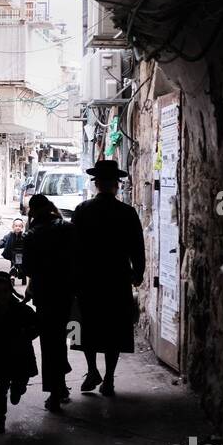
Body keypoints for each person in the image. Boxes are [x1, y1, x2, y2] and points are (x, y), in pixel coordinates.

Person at [71, 160, 145, 397]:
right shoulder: (127, 212)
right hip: (116, 278)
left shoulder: (82, 210)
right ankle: (109, 378)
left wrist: (72, 275)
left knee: (89, 326)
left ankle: (92, 370)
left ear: (97, 185)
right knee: (114, 328)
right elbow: (137, 247)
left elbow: (72, 247)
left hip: (88, 278)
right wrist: (138, 273)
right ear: (116, 185)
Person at [23, 194, 77, 412]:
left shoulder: (32, 235)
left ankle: (55, 392)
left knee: (49, 341)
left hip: (45, 292)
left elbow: (28, 268)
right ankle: (61, 384)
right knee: (61, 337)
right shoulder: (68, 228)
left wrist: (30, 285)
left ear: (33, 211)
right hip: (66, 291)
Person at [0, 271, 39, 433]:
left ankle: (18, 389)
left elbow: (37, 326)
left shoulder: (23, 311)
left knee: (19, 383)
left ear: (11, 291)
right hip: (1, 359)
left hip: (21, 357)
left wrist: (27, 333)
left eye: (5, 291)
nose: (2, 295)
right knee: (0, 389)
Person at [0, 217, 28, 285]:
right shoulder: (10, 235)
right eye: (16, 226)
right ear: (13, 227)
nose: (18, 228)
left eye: (19, 226)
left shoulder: (24, 235)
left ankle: (23, 277)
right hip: (13, 253)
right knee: (13, 266)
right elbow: (4, 240)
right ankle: (12, 277)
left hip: (21, 254)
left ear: (22, 227)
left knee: (21, 267)